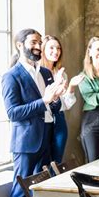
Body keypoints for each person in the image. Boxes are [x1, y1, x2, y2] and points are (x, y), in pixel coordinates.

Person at [2, 29, 65, 197]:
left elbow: (53, 107)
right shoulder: (11, 76)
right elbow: (13, 113)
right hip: (26, 143)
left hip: (47, 136)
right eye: (34, 42)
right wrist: (44, 100)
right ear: (20, 45)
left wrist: (56, 97)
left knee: (43, 188)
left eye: (40, 42)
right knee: (21, 193)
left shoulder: (46, 73)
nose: (38, 46)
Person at [40, 35, 85, 163]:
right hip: (42, 121)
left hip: (59, 120)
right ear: (43, 50)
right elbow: (42, 100)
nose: (56, 51)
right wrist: (56, 85)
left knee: (56, 162)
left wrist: (71, 86)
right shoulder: (37, 73)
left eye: (58, 48)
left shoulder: (61, 73)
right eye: (51, 48)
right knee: (42, 164)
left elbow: (65, 105)